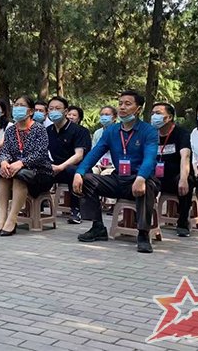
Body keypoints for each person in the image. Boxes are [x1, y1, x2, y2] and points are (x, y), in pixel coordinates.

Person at [73, 90, 159, 253]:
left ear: (138, 109)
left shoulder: (149, 131)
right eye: (120, 104)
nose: (122, 107)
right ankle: (98, 226)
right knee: (88, 180)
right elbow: (94, 153)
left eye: (128, 104)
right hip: (119, 178)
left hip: (140, 178)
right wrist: (79, 172)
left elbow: (150, 159)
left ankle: (143, 234)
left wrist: (141, 177)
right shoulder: (111, 131)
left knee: (147, 185)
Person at [0, 96, 54, 236]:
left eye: (21, 105)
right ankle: (2, 218)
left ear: (30, 111)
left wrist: (21, 163)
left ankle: (12, 219)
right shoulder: (11, 130)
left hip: (40, 173)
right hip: (16, 170)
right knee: (4, 175)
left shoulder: (39, 129)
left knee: (19, 176)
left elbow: (40, 153)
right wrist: (4, 162)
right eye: (16, 105)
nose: (18, 108)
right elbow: (5, 150)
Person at [150, 103, 193, 237]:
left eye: (158, 113)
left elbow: (185, 156)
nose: (154, 117)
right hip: (155, 176)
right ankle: (138, 220)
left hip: (175, 176)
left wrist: (183, 179)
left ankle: (183, 222)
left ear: (169, 117)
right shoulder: (150, 133)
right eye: (152, 114)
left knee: (188, 181)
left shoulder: (181, 134)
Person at [47, 96, 91, 224]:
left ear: (65, 111)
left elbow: (79, 155)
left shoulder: (80, 131)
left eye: (57, 108)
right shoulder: (48, 131)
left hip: (78, 169)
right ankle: (34, 206)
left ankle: (76, 211)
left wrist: (61, 167)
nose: (54, 111)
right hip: (55, 168)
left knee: (72, 171)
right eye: (51, 108)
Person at [91, 106, 117, 174]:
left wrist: (112, 166)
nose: (104, 117)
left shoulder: (119, 132)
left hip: (113, 166)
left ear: (114, 117)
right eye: (102, 115)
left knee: (105, 174)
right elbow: (93, 151)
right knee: (91, 172)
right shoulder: (97, 133)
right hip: (99, 165)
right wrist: (97, 164)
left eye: (107, 115)